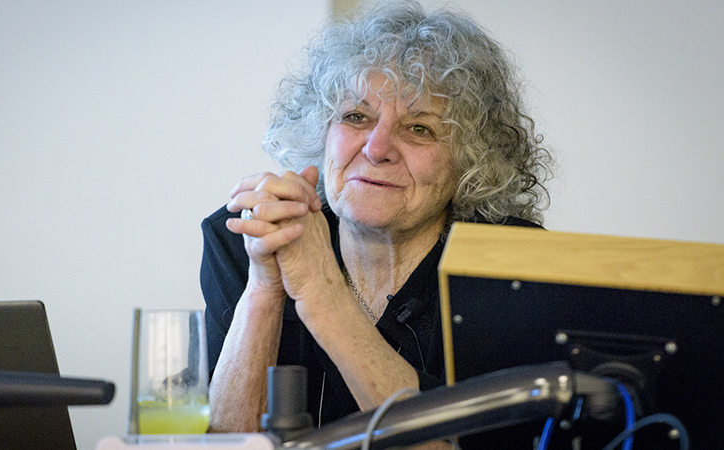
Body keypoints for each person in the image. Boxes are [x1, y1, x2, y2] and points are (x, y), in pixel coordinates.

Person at [200, 1, 551, 447]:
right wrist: (266, 287)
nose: (377, 147)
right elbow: (223, 444)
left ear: (470, 160)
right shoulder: (245, 238)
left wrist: (323, 296)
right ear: (322, 131)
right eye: (356, 117)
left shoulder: (510, 266)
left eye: (419, 128)